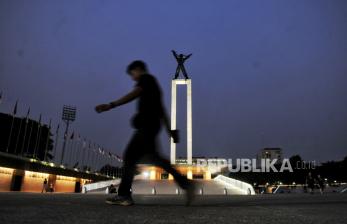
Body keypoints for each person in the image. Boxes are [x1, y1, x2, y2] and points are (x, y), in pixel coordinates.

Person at [95, 60, 195, 206]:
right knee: (156, 159)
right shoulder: (154, 85)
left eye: (132, 74)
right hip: (153, 126)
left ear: (138, 69)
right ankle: (186, 184)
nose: (133, 78)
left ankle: (124, 195)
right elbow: (162, 110)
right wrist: (169, 130)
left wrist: (112, 105)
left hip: (147, 126)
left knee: (130, 156)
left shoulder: (146, 79)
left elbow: (135, 93)